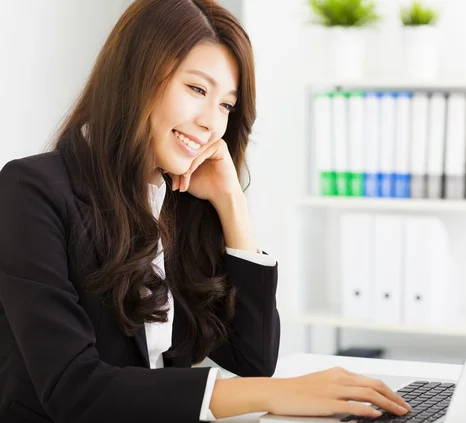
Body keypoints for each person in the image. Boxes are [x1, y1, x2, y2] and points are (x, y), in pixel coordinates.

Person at [0, 1, 412, 422]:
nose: (212, 123)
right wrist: (270, 395)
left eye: (226, 106)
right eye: (197, 90)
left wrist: (232, 205)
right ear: (135, 77)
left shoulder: (177, 200)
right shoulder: (31, 191)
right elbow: (74, 388)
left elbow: (253, 358)